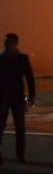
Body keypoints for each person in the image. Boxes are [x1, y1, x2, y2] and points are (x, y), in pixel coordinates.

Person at [0, 33, 36, 164]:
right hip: (2, 96)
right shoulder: (1, 59)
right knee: (0, 125)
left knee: (20, 126)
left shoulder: (22, 58)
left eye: (10, 42)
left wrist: (32, 96)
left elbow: (29, 77)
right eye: (6, 42)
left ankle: (21, 154)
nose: (7, 45)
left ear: (16, 44)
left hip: (19, 96)